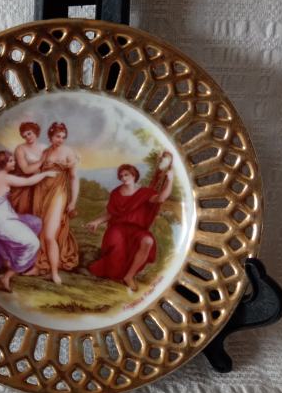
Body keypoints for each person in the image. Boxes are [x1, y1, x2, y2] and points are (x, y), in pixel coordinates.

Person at [0, 150, 57, 292]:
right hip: (1, 221)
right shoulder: (6, 178)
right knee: (33, 244)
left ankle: (9, 258)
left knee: (35, 223)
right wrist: (45, 174)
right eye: (11, 161)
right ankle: (6, 276)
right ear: (4, 163)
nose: (14, 163)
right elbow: (28, 181)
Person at [87, 162, 174, 290]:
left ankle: (129, 276)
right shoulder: (116, 193)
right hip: (117, 228)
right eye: (121, 176)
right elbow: (111, 214)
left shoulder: (144, 193)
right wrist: (97, 222)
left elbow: (161, 198)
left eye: (126, 175)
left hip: (137, 230)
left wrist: (170, 180)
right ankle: (113, 272)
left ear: (134, 175)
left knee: (148, 241)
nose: (123, 178)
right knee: (117, 249)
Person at [29, 122, 79, 284]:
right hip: (41, 192)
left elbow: (74, 178)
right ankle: (39, 266)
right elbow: (35, 172)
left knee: (50, 234)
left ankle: (54, 272)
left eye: (63, 137)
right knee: (39, 231)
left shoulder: (68, 152)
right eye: (58, 136)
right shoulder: (46, 152)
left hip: (58, 193)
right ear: (50, 136)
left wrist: (73, 201)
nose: (60, 140)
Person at [10, 121, 46, 215]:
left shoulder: (44, 148)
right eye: (24, 136)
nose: (27, 137)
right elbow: (25, 169)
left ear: (35, 132)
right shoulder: (20, 149)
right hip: (25, 182)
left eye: (29, 133)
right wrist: (41, 161)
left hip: (42, 179)